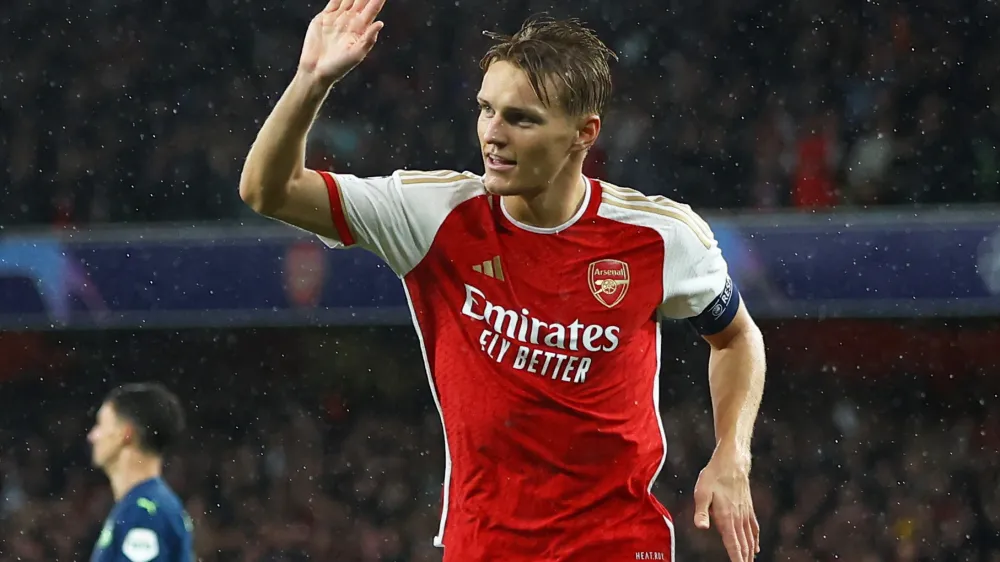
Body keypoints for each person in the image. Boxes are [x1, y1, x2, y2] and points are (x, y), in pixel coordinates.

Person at [239, 1, 767, 560]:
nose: (492, 134)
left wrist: (732, 454)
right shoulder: (432, 215)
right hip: (483, 546)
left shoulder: (661, 237)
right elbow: (268, 191)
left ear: (584, 133)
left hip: (617, 543)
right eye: (486, 109)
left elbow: (736, 336)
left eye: (521, 119)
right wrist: (310, 80)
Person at [88, 383, 194, 562]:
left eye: (100, 425)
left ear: (125, 433)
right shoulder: (143, 505)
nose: (92, 436)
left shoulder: (144, 512)